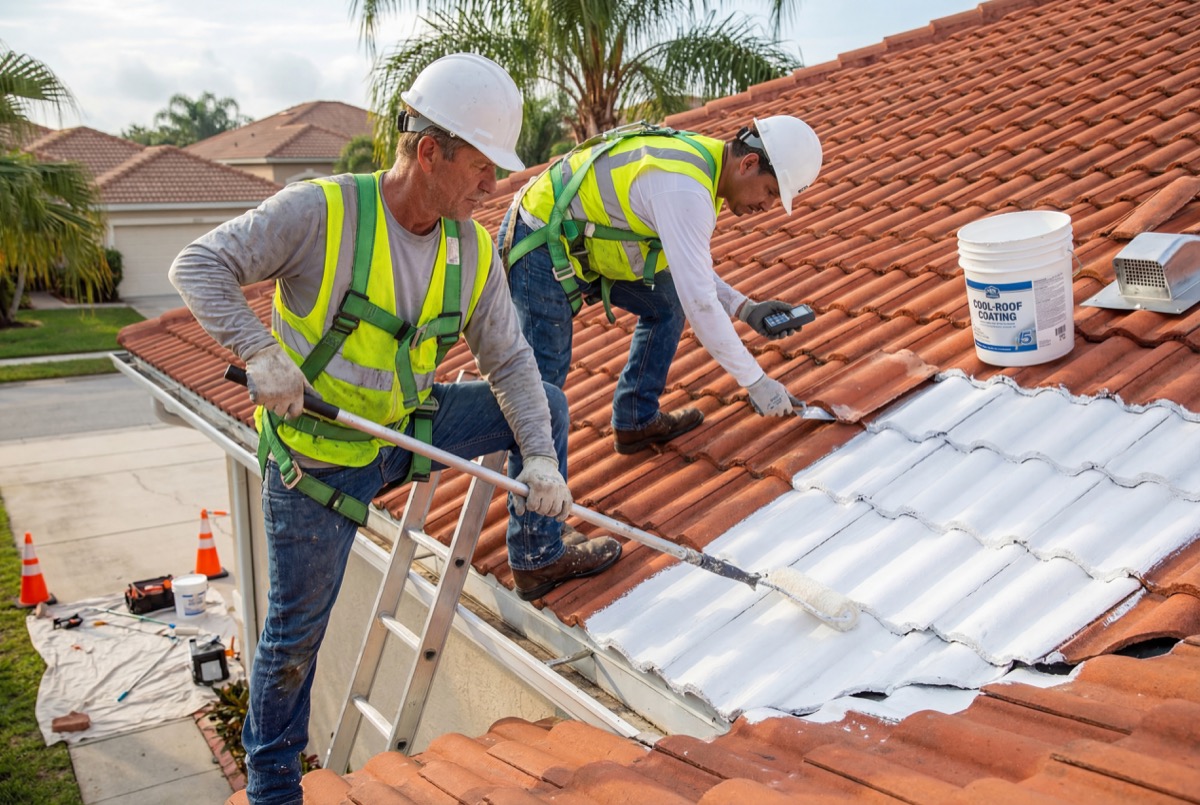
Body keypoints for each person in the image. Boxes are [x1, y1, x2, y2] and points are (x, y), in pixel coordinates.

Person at [169, 53, 621, 805]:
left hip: (405, 430)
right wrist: (258, 350)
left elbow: (509, 362)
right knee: (293, 643)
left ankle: (537, 551)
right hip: (315, 464)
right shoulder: (322, 213)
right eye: (481, 167)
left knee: (545, 398)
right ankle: (273, 787)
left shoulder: (471, 247)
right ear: (431, 150)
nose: (493, 186)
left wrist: (540, 459)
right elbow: (199, 264)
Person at [502, 116, 822, 454]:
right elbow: (700, 302)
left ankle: (635, 421)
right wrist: (756, 382)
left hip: (583, 239)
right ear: (749, 163)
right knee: (543, 384)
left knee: (667, 302)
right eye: (771, 192)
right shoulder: (684, 188)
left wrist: (745, 308)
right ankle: (533, 496)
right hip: (540, 235)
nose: (767, 206)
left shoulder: (706, 165)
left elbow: (689, 269)